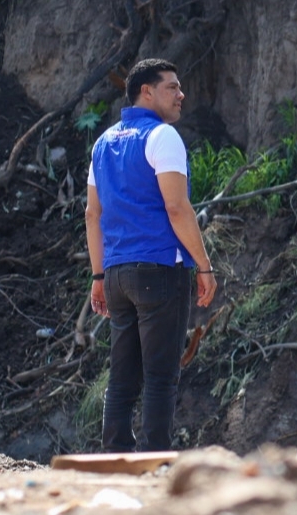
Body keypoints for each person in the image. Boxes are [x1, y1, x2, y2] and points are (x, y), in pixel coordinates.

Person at [85, 57, 217, 453]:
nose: (181, 95)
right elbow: (177, 208)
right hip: (159, 269)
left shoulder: (103, 143)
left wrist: (98, 276)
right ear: (146, 92)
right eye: (171, 87)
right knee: (160, 377)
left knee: (122, 378)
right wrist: (204, 265)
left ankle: (115, 459)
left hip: (116, 275)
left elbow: (93, 214)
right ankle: (154, 464)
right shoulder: (162, 136)